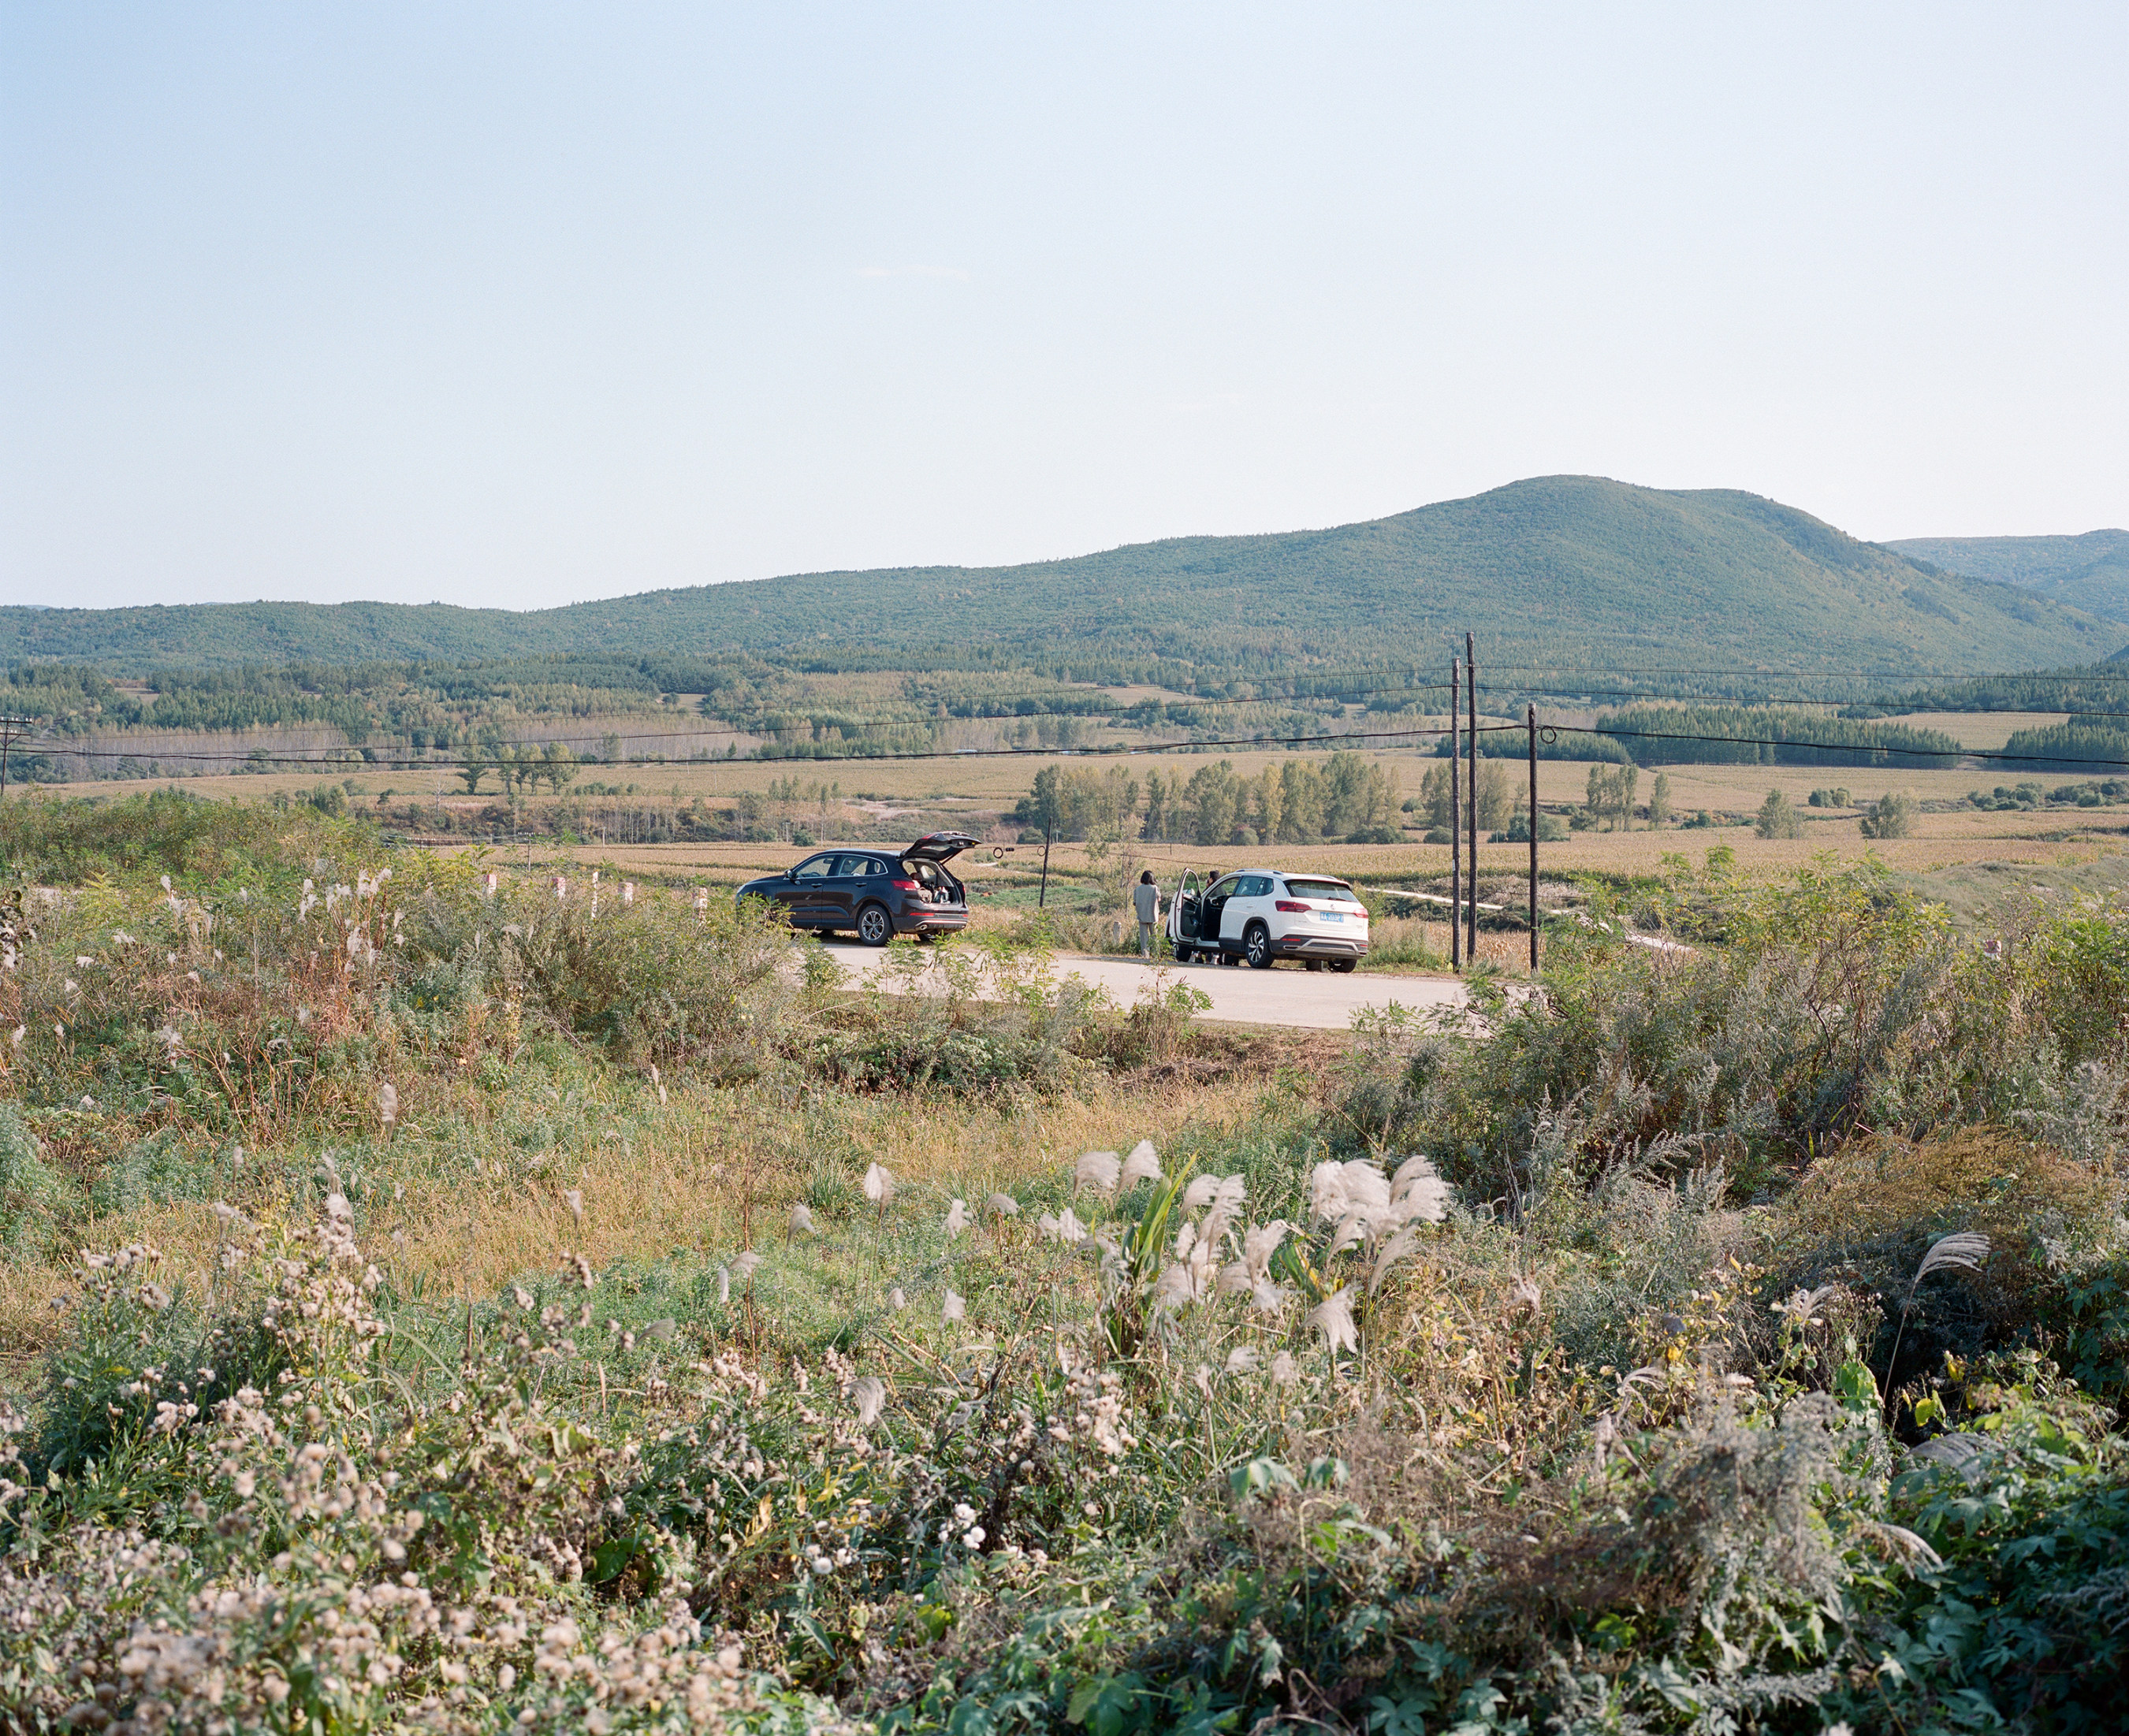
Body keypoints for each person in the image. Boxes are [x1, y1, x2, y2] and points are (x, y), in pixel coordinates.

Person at [1132, 869, 1160, 960]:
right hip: (1153, 916)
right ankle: (1156, 955)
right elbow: (1159, 899)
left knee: (1144, 938)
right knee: (1154, 936)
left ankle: (1145, 955)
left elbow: (1135, 903)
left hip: (1142, 916)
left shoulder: (1138, 889)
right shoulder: (1155, 888)